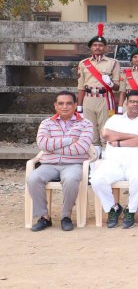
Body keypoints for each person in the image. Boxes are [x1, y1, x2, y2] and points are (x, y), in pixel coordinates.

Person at [90, 90, 138, 229]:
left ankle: (130, 210)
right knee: (96, 179)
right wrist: (135, 136)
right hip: (113, 163)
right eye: (132, 101)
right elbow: (106, 135)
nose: (135, 104)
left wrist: (120, 141)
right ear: (126, 103)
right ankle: (113, 208)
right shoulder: (115, 119)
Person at [27, 91, 94, 232]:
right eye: (61, 103)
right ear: (55, 106)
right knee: (33, 178)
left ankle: (66, 217)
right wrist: (68, 141)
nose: (65, 106)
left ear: (75, 105)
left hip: (74, 164)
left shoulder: (85, 124)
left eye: (69, 103)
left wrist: (52, 147)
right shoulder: (46, 123)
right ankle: (44, 217)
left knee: (70, 179)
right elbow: (42, 144)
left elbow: (81, 148)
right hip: (49, 164)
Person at [77, 23, 120, 149]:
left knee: (106, 129)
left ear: (105, 48)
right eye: (95, 45)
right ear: (91, 48)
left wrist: (111, 83)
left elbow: (117, 86)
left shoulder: (113, 63)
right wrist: (79, 106)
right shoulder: (83, 63)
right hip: (88, 98)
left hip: (105, 98)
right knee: (90, 130)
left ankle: (106, 158)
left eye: (100, 45)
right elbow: (80, 87)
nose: (97, 47)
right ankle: (94, 159)